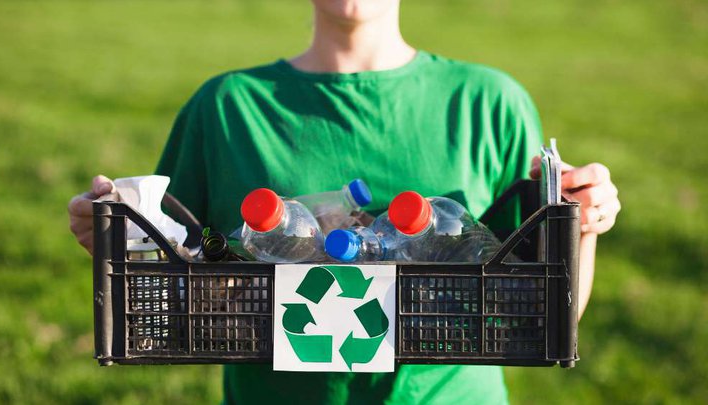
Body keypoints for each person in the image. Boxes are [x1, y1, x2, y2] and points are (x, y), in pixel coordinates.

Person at [68, 0, 620, 403]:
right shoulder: (228, 107)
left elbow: (543, 310)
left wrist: (583, 224)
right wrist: (116, 233)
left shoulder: (488, 103)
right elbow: (178, 269)